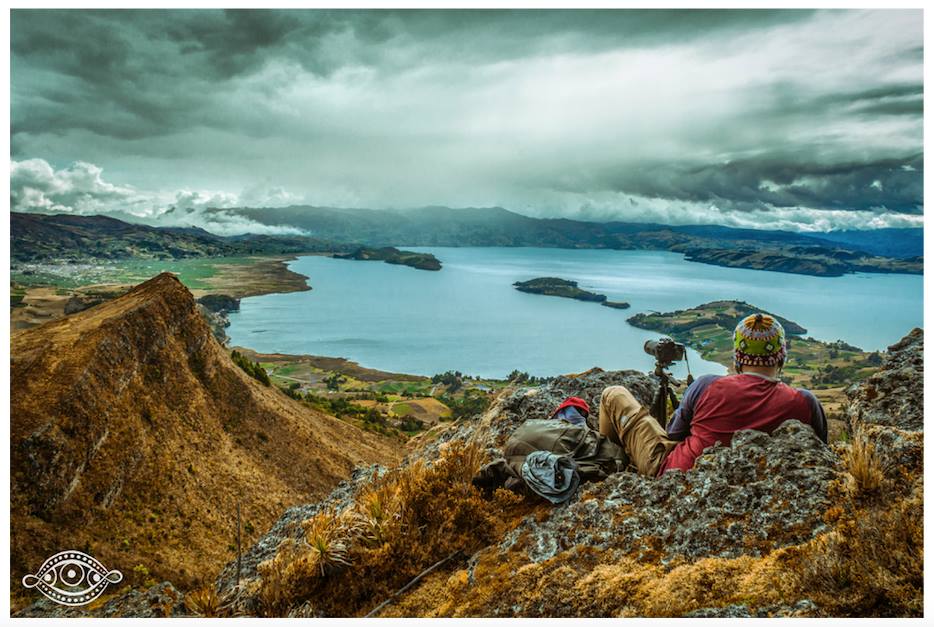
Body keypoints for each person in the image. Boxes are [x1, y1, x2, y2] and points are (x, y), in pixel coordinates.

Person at [598, 312, 828, 477]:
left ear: (738, 357)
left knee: (613, 394)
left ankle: (611, 471)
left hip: (677, 477)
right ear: (781, 357)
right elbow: (821, 453)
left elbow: (673, 435)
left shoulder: (706, 385)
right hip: (763, 487)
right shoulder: (805, 402)